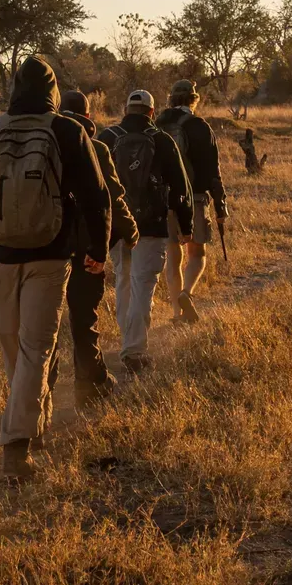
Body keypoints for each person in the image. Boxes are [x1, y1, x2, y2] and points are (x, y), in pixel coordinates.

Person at [0, 56, 109, 482]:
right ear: (53, 91)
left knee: (15, 350)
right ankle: (18, 446)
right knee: (36, 348)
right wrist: (97, 248)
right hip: (50, 256)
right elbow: (96, 195)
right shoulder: (67, 130)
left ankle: (29, 429)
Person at [50, 89, 138, 406]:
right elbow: (112, 195)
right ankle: (90, 384)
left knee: (45, 322)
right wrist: (129, 229)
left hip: (47, 246)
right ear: (88, 117)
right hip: (87, 246)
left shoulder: (47, 143)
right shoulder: (97, 148)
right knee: (83, 317)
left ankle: (42, 388)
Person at [98, 89, 193, 374]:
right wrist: (185, 226)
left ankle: (129, 340)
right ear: (152, 112)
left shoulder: (107, 138)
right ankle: (135, 349)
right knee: (143, 285)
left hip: (116, 225)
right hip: (150, 226)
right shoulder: (161, 140)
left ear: (126, 109)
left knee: (123, 281)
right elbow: (180, 186)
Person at [157, 80, 230, 323]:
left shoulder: (158, 125)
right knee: (197, 253)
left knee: (172, 254)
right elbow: (213, 170)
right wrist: (220, 205)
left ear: (171, 99)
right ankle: (187, 294)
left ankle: (177, 312)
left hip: (165, 198)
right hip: (195, 198)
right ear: (194, 99)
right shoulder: (200, 126)